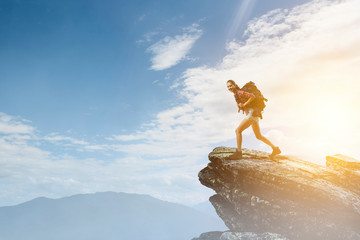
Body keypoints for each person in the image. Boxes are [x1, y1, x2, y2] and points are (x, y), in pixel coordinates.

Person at [227, 79, 281, 159]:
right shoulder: (236, 94)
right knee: (258, 136)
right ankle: (275, 149)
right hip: (254, 114)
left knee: (238, 131)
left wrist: (244, 104)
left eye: (231, 85)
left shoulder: (239, 92)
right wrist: (243, 105)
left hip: (252, 114)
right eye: (228, 87)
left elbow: (252, 96)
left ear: (235, 85)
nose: (229, 88)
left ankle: (238, 152)